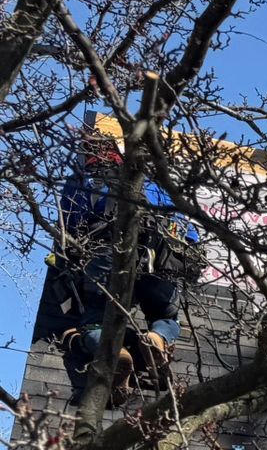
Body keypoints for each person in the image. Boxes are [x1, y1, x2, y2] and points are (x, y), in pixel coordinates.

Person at [38, 131, 195, 403]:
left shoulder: (84, 180)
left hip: (106, 253)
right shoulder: (154, 181)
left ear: (88, 156)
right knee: (165, 315)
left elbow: (67, 228)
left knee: (95, 319)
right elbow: (188, 234)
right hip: (159, 259)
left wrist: (66, 266)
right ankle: (157, 339)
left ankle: (115, 352)